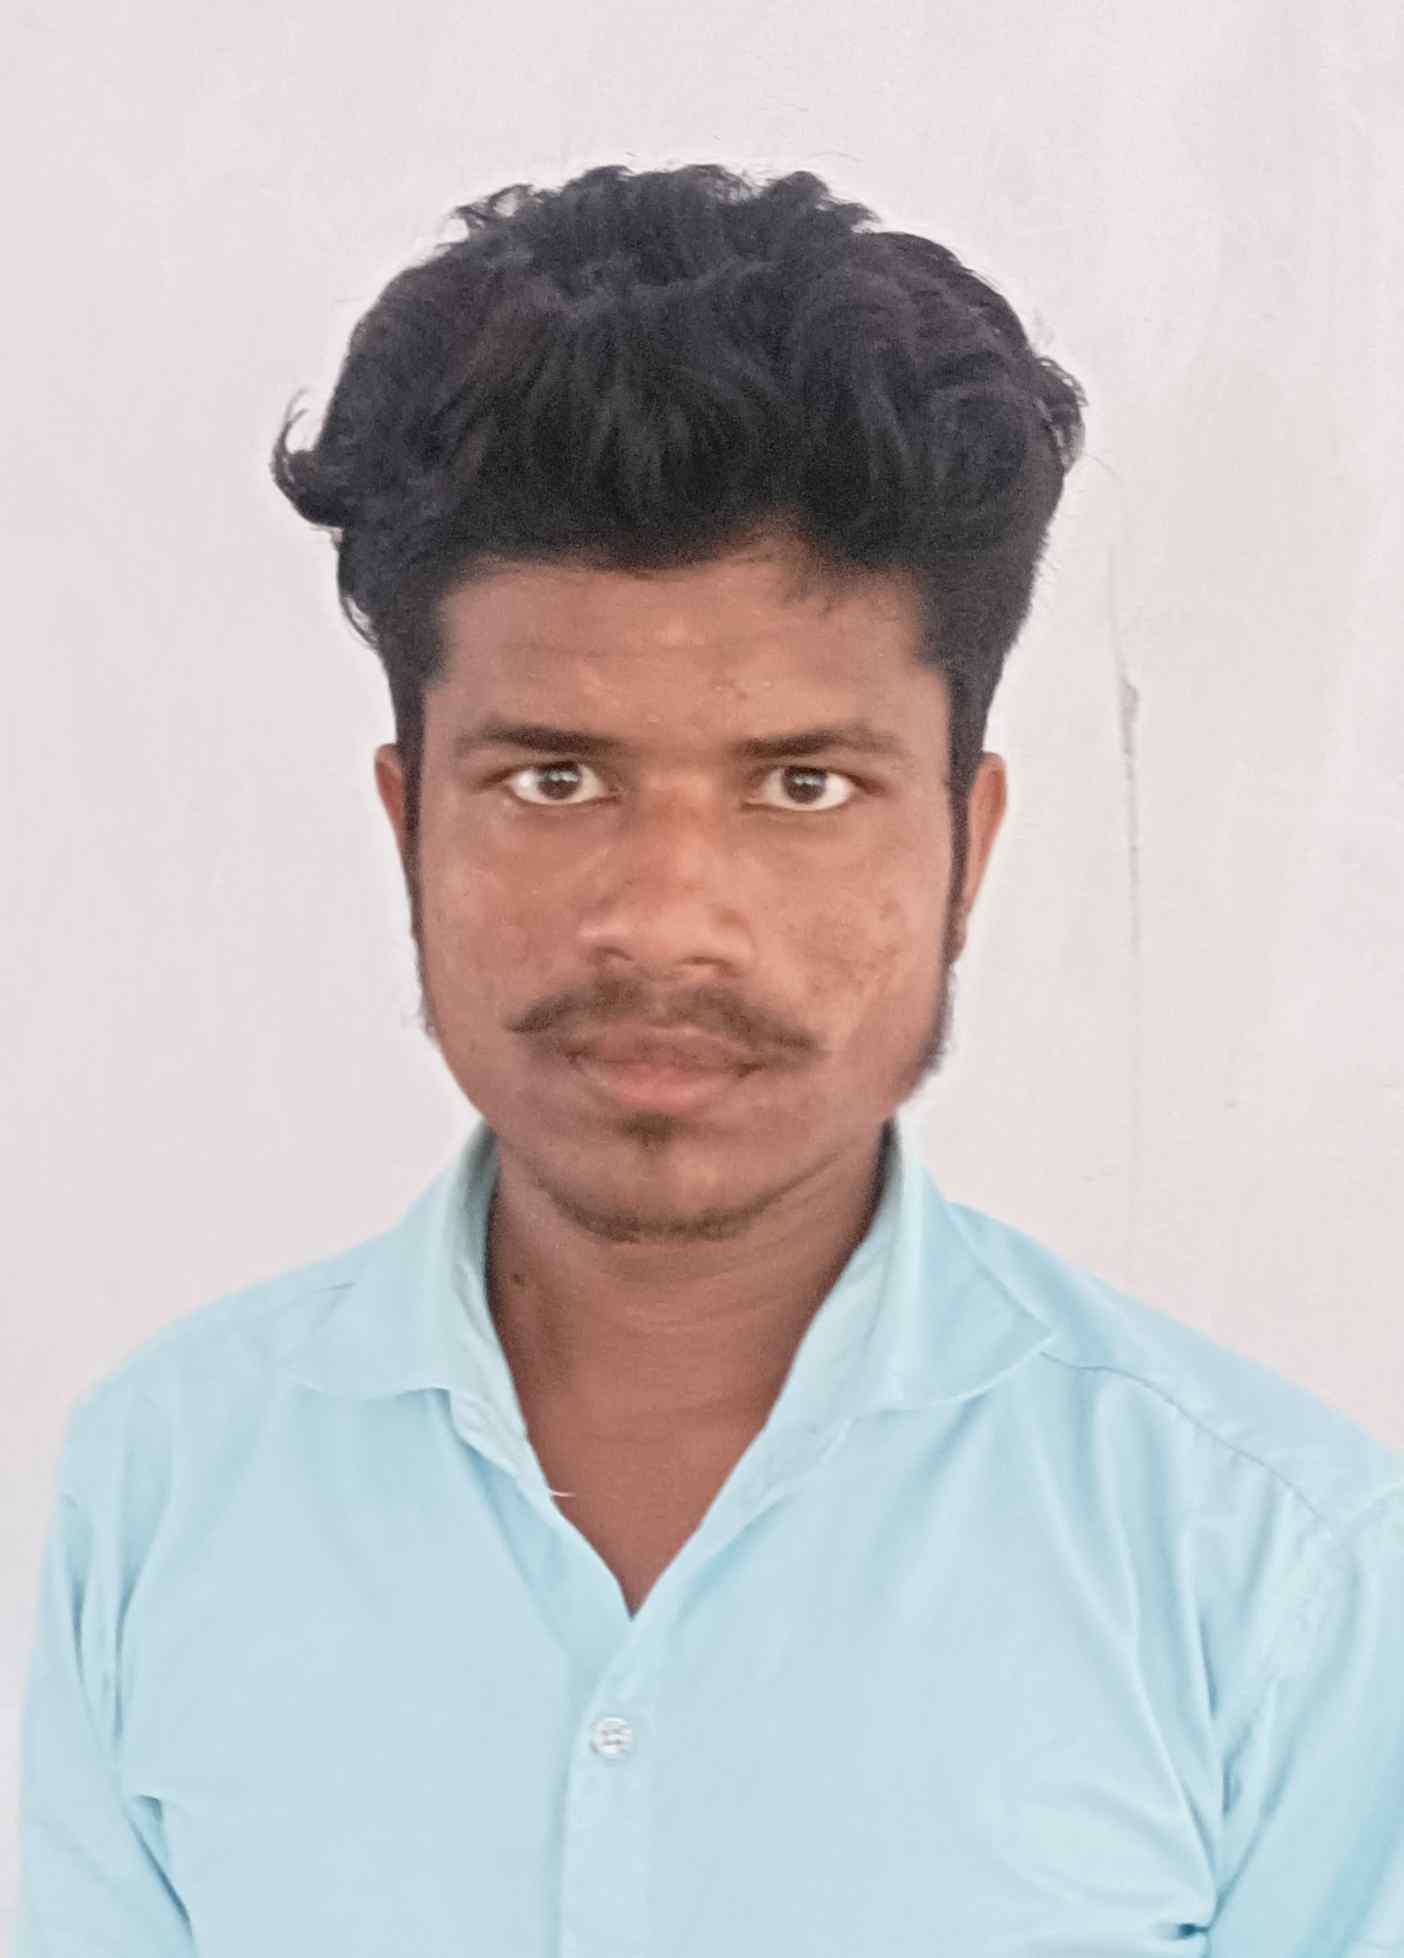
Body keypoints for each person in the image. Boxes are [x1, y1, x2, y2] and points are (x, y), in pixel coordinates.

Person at [17, 163, 1404, 1956]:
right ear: (409, 825)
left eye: (804, 784)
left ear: (967, 846)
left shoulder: (1270, 1569)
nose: (667, 921)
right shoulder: (167, 1487)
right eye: (554, 777)